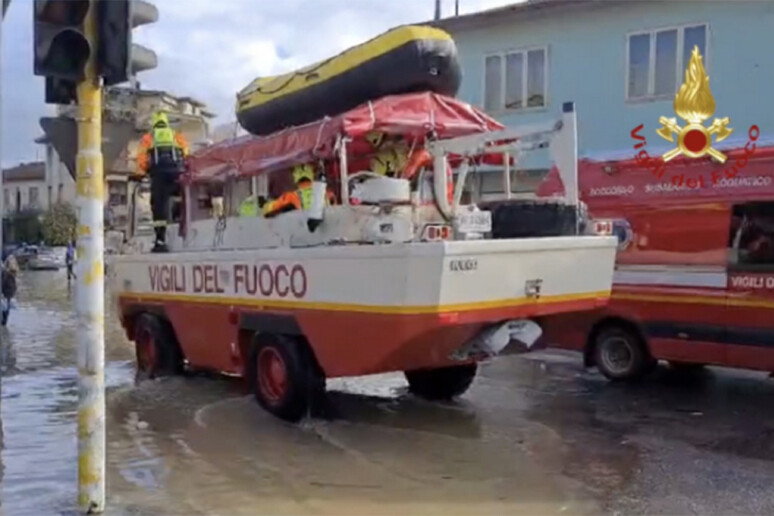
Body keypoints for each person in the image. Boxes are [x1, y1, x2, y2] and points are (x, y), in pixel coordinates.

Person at [136, 110, 190, 253]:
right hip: (177, 174)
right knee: (182, 199)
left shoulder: (149, 138)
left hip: (159, 176)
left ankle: (160, 240)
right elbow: (186, 154)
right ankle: (182, 224)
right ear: (166, 122)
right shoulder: (176, 136)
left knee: (159, 207)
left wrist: (142, 174)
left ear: (154, 124)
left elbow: (141, 160)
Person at [262, 164, 334, 217]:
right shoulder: (328, 195)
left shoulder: (290, 197)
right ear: (311, 175)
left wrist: (265, 205)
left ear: (295, 177)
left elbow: (268, 210)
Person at [1, 255, 19, 327]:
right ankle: (4, 323)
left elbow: (4, 282)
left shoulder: (8, 272)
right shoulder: (10, 272)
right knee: (6, 308)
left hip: (7, 292)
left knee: (5, 308)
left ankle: (3, 322)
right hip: (8, 292)